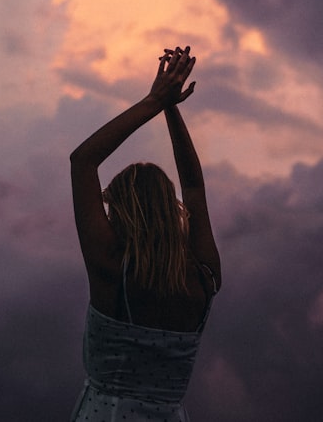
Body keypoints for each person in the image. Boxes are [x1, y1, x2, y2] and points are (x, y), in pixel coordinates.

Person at [69, 46, 221, 421]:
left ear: (121, 212)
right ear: (172, 211)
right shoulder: (204, 275)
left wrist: (155, 100)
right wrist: (172, 109)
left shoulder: (110, 267)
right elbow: (194, 187)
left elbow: (83, 161)